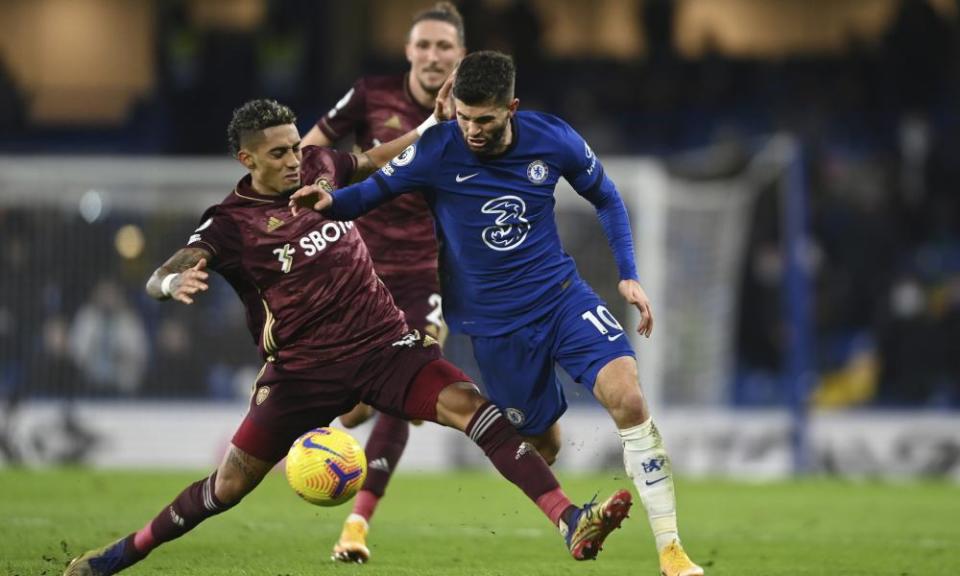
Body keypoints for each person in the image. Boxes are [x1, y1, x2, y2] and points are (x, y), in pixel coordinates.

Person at [63, 97, 632, 576]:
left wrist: (431, 128)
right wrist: (170, 283)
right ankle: (114, 559)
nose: (294, 160)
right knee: (229, 486)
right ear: (247, 158)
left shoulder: (318, 167)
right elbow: (165, 269)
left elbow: (373, 160)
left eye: (295, 146)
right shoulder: (230, 224)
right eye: (279, 152)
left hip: (387, 347)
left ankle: (570, 520)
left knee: (478, 413)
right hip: (302, 373)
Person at [290, 51, 705, 576]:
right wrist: (327, 201)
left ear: (511, 107)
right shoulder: (437, 149)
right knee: (543, 446)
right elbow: (367, 194)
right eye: (463, 117)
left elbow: (607, 197)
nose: (472, 130)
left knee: (627, 396)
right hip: (496, 330)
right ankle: (572, 510)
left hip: (561, 298)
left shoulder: (552, 138)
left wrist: (628, 273)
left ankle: (672, 552)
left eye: (484, 119)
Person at [301, 2, 465, 563]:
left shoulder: (475, 115)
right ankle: (325, 435)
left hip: (423, 273)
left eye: (444, 46)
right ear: (408, 52)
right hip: (356, 271)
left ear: (460, 56)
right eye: (424, 45)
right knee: (356, 411)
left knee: (409, 397)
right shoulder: (371, 94)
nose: (433, 55)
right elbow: (306, 151)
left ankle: (356, 525)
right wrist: (347, 170)